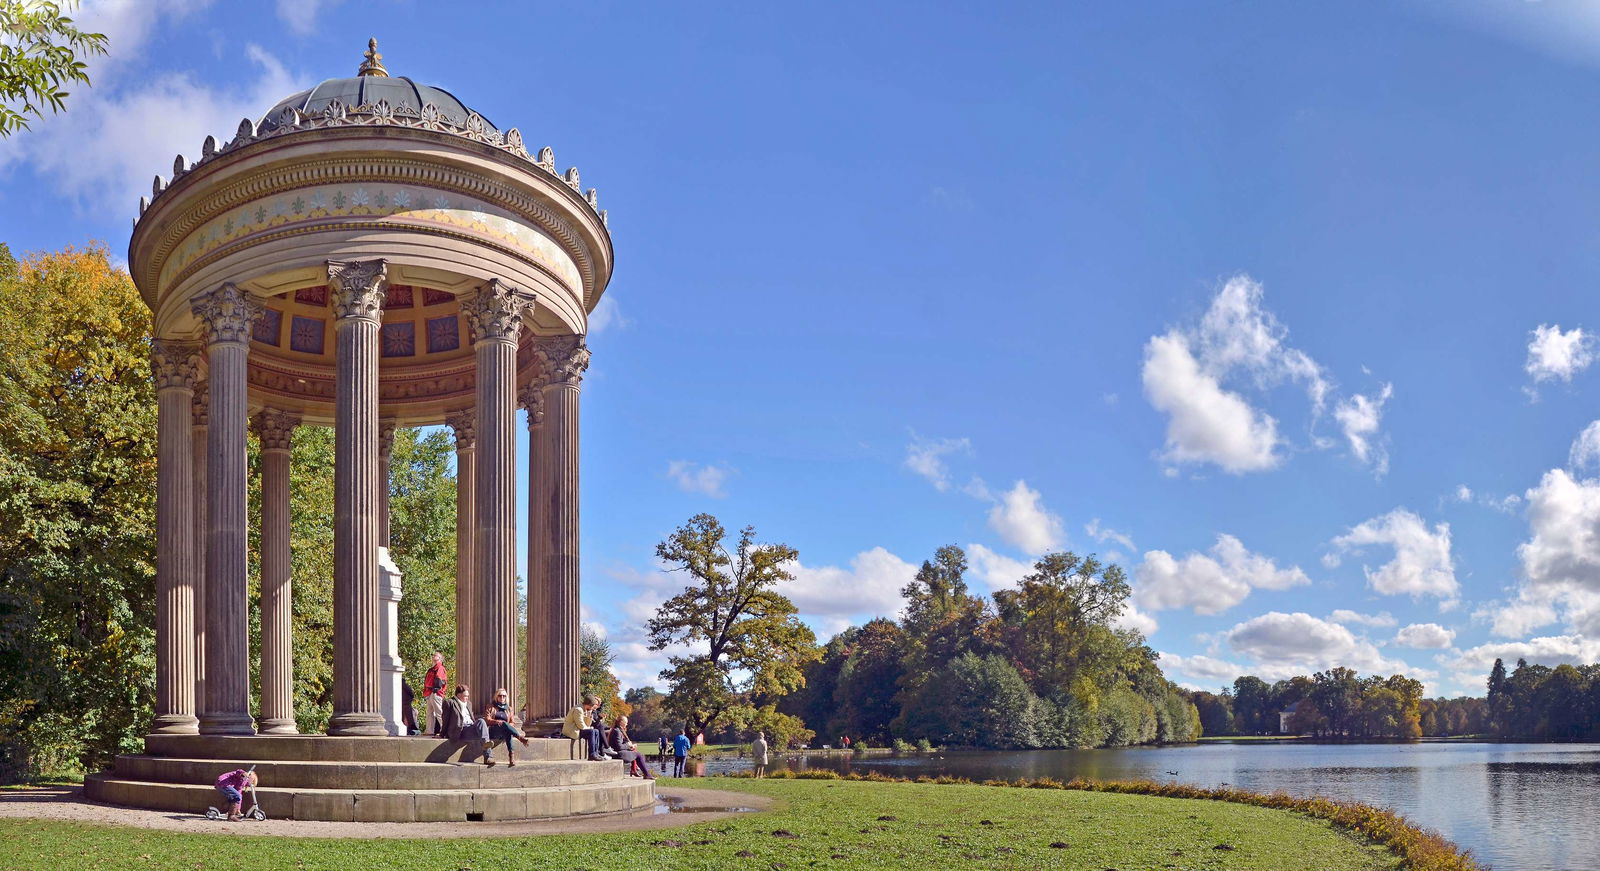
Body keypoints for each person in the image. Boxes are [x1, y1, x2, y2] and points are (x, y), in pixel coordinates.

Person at [442, 685, 496, 767]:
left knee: (481, 721)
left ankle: (488, 756)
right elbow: (445, 719)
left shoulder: (469, 704)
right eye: (465, 696)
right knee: (483, 733)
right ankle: (488, 753)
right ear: (459, 695)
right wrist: (442, 734)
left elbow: (472, 718)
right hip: (460, 730)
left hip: (470, 727)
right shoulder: (449, 702)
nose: (467, 698)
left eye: (468, 696)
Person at [562, 695, 607, 761]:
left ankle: (596, 753)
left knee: (596, 731)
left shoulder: (585, 709)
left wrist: (589, 716)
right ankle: (592, 754)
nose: (593, 708)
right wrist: (590, 728)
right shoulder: (578, 710)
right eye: (593, 706)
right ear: (590, 704)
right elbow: (581, 726)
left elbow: (587, 724)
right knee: (591, 732)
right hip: (572, 731)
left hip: (577, 729)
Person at [608, 715, 654, 779]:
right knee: (639, 755)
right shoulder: (617, 731)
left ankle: (636, 771)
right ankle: (646, 774)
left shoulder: (618, 730)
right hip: (618, 754)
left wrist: (630, 746)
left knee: (637, 753)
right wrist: (628, 745)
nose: (627, 724)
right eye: (626, 722)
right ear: (621, 722)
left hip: (618, 752)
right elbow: (619, 747)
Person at [423, 652, 448, 737]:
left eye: (435, 655)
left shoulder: (440, 667)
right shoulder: (432, 669)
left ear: (440, 658)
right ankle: (429, 730)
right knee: (429, 712)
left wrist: (435, 690)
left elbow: (440, 680)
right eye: (433, 655)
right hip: (430, 692)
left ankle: (444, 730)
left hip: (435, 692)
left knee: (439, 712)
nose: (433, 656)